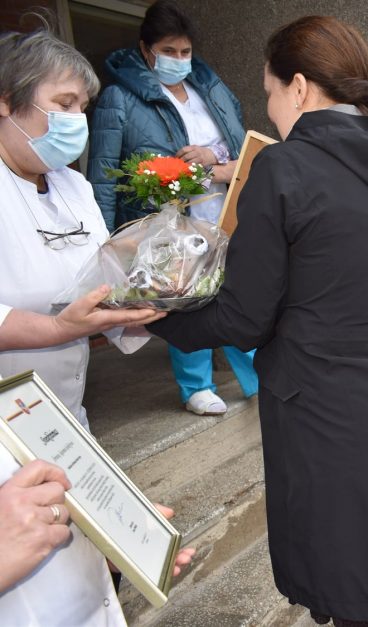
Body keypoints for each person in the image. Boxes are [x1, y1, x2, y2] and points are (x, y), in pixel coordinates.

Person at [146, 15, 368, 627]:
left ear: (300, 87)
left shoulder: (283, 170)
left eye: (267, 91)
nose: (269, 106)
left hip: (338, 419)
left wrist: (153, 314)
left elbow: (244, 316)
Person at [0, 26, 192, 623]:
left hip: (65, 420)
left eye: (82, 107)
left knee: (89, 587)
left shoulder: (75, 186)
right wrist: (62, 328)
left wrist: (147, 302)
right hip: (4, 429)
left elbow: (102, 279)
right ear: (6, 103)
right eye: (62, 105)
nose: (76, 121)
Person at [88, 0, 257, 417]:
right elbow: (105, 172)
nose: (179, 60)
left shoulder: (211, 90)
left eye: (185, 52)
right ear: (147, 50)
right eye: (169, 51)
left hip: (224, 207)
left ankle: (257, 378)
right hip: (170, 217)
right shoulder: (120, 98)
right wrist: (103, 238)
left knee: (237, 295)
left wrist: (215, 164)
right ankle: (196, 385)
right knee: (183, 297)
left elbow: (241, 145)